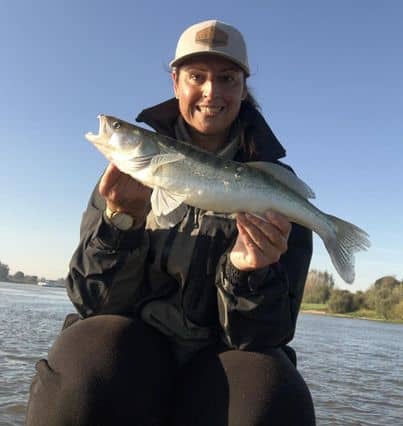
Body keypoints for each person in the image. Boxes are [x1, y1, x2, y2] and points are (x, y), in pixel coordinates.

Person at [26, 20, 315, 426]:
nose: (211, 91)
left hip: (223, 361)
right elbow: (94, 302)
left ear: (243, 89)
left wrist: (250, 274)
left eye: (227, 78)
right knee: (82, 366)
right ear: (176, 82)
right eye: (197, 76)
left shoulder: (274, 190)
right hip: (134, 349)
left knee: (273, 394)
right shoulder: (123, 178)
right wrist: (120, 223)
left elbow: (265, 335)